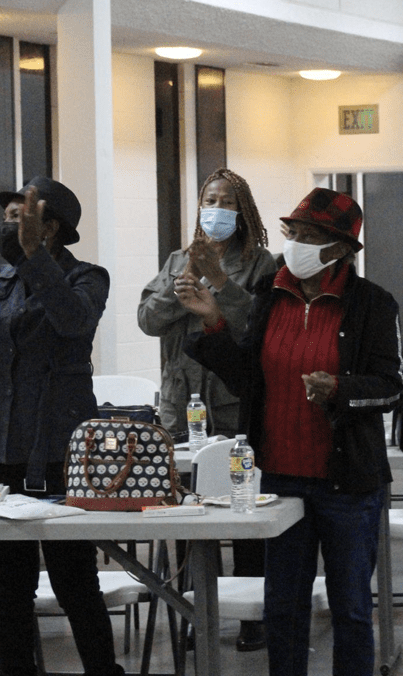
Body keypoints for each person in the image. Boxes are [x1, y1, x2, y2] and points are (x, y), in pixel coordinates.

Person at [182, 188, 402, 676]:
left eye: (310, 236)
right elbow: (248, 381)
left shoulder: (371, 304)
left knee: (349, 609)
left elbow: (390, 388)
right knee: (282, 608)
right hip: (279, 480)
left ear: (340, 248)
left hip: (346, 482)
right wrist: (215, 323)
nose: (296, 245)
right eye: (293, 233)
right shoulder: (269, 297)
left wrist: (339, 389)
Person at [0, 176, 125, 676]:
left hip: (59, 452)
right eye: (7, 217)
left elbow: (72, 321)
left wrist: (36, 258)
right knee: (9, 587)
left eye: (18, 217)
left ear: (49, 228)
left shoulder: (87, 278)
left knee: (75, 581)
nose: (6, 227)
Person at [137, 167, 275, 651]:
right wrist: (183, 290)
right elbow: (147, 319)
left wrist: (217, 290)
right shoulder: (179, 258)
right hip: (182, 405)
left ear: (241, 212)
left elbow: (258, 325)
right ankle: (198, 610)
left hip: (235, 403)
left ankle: (256, 614)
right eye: (208, 200)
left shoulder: (261, 264)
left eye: (225, 201)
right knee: (192, 513)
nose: (214, 209)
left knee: (244, 510)